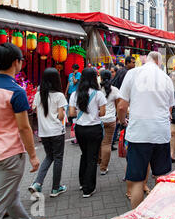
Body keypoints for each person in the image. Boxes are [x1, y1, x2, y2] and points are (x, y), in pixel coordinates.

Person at [0, 43, 44, 219]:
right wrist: (33, 156)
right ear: (16, 62)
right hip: (10, 154)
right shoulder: (16, 91)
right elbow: (24, 128)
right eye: (21, 60)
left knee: (10, 195)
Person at [117, 52, 175, 209]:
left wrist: (123, 122)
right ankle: (158, 214)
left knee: (137, 181)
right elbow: (169, 109)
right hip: (161, 134)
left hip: (139, 134)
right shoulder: (166, 79)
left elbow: (122, 106)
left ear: (146, 60)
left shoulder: (133, 73)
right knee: (161, 178)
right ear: (159, 62)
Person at [29, 68, 68, 197]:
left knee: (49, 156)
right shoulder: (59, 95)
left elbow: (35, 111)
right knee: (58, 158)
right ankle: (56, 188)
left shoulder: (38, 95)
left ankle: (37, 183)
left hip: (44, 132)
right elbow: (61, 116)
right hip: (57, 131)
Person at [68, 68, 107, 198]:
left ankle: (82, 182)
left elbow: (72, 113)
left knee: (84, 154)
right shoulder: (98, 94)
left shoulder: (74, 94)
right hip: (94, 128)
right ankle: (88, 189)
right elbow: (102, 113)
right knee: (92, 158)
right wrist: (93, 112)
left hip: (80, 129)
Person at [99, 70, 121, 175]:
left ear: (101, 78)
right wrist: (118, 118)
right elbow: (118, 106)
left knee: (98, 143)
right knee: (107, 143)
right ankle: (103, 168)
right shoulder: (115, 90)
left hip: (98, 120)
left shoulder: (97, 89)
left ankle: (99, 161)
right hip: (111, 120)